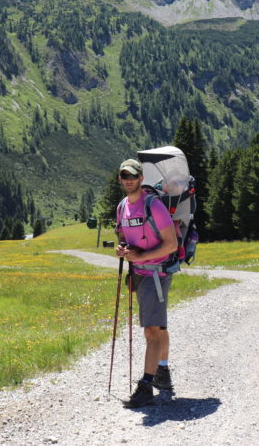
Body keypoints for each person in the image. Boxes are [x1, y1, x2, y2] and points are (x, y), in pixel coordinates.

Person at [114, 158, 179, 407]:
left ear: (141, 178)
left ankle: (146, 386)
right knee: (158, 326)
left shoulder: (153, 205)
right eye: (125, 176)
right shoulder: (122, 207)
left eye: (133, 176)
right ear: (120, 179)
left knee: (151, 329)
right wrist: (122, 249)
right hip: (139, 273)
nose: (129, 180)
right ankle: (162, 371)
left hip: (156, 274)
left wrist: (140, 257)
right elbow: (124, 236)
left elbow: (171, 244)